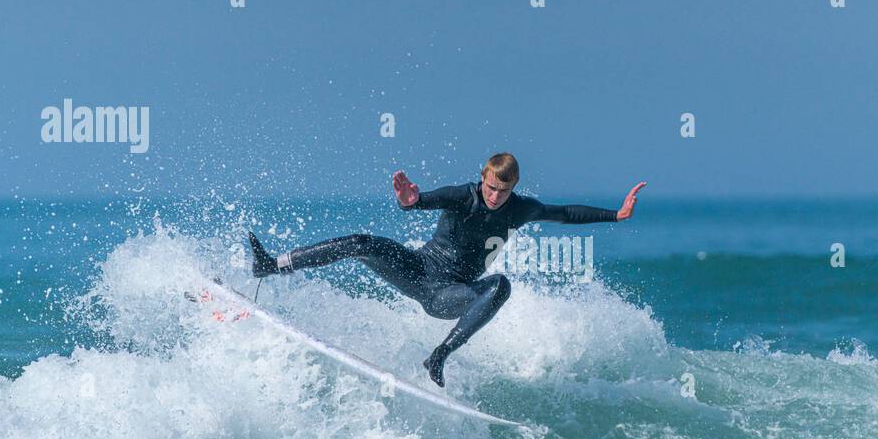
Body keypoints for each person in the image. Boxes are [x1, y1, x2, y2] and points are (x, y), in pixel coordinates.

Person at [248, 152, 646, 387]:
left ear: (513, 188)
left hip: (448, 294)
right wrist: (409, 201)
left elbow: (564, 213)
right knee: (360, 242)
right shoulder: (463, 196)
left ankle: (439, 354)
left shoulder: (523, 208)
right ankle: (273, 264)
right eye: (490, 187)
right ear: (483, 178)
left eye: (502, 191)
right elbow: (421, 201)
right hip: (417, 270)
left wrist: (617, 214)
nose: (494, 196)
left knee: (500, 285)